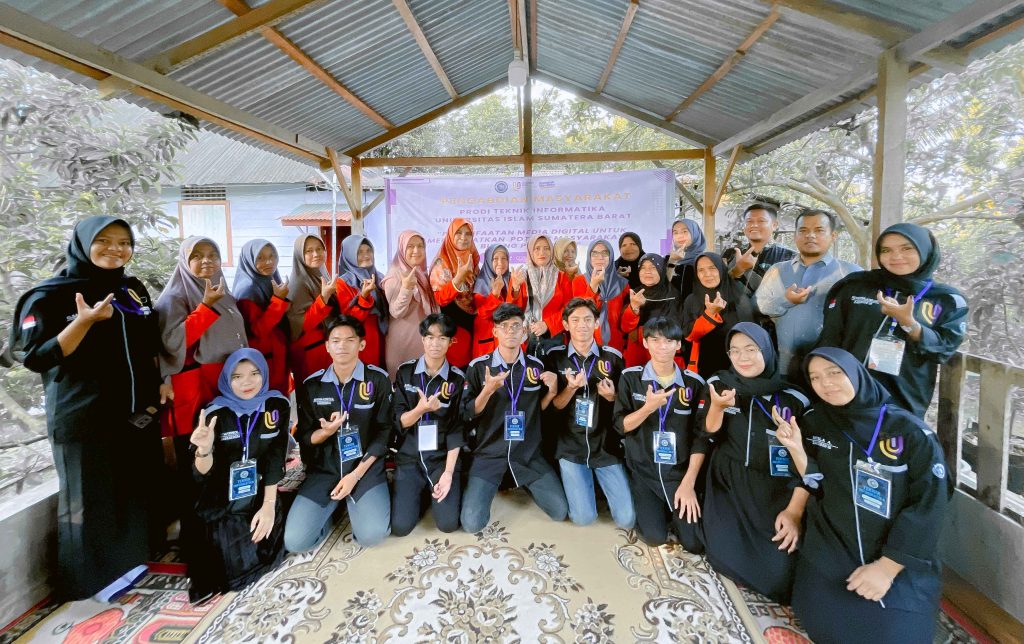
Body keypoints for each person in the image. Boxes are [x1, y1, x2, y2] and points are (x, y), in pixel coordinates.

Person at [10, 216, 164, 600]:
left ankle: (131, 563)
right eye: (105, 241)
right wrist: (82, 323)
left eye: (124, 242)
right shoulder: (48, 296)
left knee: (133, 490)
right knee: (89, 500)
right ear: (83, 244)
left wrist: (162, 381)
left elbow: (149, 341)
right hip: (85, 418)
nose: (116, 249)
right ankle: (90, 582)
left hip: (135, 413)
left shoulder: (131, 289)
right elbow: (34, 357)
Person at [774, 348, 950, 644]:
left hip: (891, 547)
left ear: (856, 374)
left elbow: (929, 505)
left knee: (895, 636)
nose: (825, 383)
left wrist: (887, 568)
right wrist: (796, 451)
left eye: (834, 373)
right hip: (833, 540)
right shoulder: (815, 420)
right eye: (815, 377)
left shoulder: (908, 432)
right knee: (818, 621)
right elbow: (815, 481)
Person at [698, 323, 810, 603]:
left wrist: (795, 512)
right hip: (728, 480)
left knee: (779, 578)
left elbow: (810, 465)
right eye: (734, 351)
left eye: (751, 349)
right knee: (719, 553)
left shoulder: (794, 397)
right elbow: (707, 434)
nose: (742, 357)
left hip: (775, 486)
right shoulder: (720, 384)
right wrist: (717, 407)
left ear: (767, 351)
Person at [817, 222, 968, 418]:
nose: (896, 256)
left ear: (925, 251)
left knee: (893, 436)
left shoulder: (946, 299)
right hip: (845, 391)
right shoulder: (855, 285)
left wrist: (909, 324)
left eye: (906, 248)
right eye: (886, 250)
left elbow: (943, 349)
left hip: (903, 400)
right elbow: (830, 339)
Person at [187, 349, 288, 602]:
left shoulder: (276, 406)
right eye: (237, 376)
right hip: (220, 497)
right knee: (234, 564)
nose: (247, 382)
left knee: (275, 536)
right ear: (226, 380)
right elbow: (202, 474)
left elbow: (275, 458)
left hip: (256, 490)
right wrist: (204, 449)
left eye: (254, 373)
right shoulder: (214, 414)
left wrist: (268, 505)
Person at [285, 316, 392, 550]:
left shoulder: (377, 380)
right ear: (327, 346)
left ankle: (355, 500)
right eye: (335, 341)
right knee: (296, 542)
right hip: (325, 469)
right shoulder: (312, 386)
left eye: (349, 340)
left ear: (361, 344)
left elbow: (385, 432)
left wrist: (355, 475)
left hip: (364, 468)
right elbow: (305, 437)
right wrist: (324, 433)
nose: (342, 346)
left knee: (372, 536)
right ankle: (331, 511)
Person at [460, 304, 568, 533]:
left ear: (524, 331)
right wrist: (487, 391)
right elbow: (468, 412)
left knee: (559, 511)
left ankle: (520, 479)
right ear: (495, 331)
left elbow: (540, 410)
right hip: (489, 454)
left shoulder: (536, 366)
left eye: (516, 326)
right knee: (471, 524)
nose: (510, 331)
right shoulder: (479, 367)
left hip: (527, 454)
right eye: (504, 326)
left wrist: (551, 392)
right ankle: (498, 479)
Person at [613, 316, 707, 551]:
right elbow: (620, 426)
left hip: (678, 474)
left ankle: (673, 510)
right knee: (655, 536)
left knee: (694, 543)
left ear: (678, 345)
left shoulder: (694, 383)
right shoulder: (630, 378)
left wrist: (689, 483)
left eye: (668, 341)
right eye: (655, 340)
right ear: (645, 343)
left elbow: (701, 436)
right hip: (644, 471)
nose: (661, 346)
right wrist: (647, 408)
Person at [156, 237, 247, 478]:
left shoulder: (223, 293)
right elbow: (172, 342)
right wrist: (205, 307)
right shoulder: (174, 297)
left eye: (212, 255)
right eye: (196, 256)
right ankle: (193, 502)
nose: (206, 260)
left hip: (221, 381)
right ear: (185, 261)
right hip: (192, 388)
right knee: (193, 454)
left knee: (223, 446)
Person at [545, 298, 634, 529]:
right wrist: (570, 388)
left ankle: (597, 484)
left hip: (605, 445)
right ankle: (580, 484)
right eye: (575, 320)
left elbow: (624, 406)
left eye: (587, 319)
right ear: (566, 325)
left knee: (626, 519)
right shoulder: (554, 357)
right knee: (583, 518)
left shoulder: (612, 358)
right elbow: (553, 408)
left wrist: (612, 398)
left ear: (596, 323)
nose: (581, 325)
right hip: (570, 445)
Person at [754, 210, 861, 379]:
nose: (810, 235)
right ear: (795, 235)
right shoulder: (778, 270)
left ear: (833, 236)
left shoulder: (850, 273)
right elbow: (760, 305)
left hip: (832, 368)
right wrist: (786, 300)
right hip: (785, 365)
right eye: (803, 230)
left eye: (819, 230)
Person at [390, 314, 466, 536]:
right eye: (430, 337)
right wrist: (420, 410)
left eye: (442, 338)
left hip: (440, 459)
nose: (435, 343)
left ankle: (444, 485)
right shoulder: (405, 372)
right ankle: (419, 493)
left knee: (448, 524)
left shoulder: (457, 379)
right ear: (422, 339)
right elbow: (398, 420)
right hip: (409, 457)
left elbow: (457, 428)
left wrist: (448, 473)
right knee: (401, 527)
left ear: (451, 342)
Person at [682, 252, 754, 379]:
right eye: (701, 270)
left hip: (738, 366)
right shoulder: (691, 300)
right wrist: (710, 314)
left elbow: (751, 336)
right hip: (703, 368)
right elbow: (688, 336)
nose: (707, 274)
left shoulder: (739, 298)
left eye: (712, 268)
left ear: (721, 269)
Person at [233, 239, 291, 393]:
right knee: (268, 404)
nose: (269, 262)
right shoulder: (248, 289)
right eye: (260, 258)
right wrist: (278, 301)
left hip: (277, 356)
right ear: (249, 260)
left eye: (272, 256)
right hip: (263, 362)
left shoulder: (270, 280)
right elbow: (258, 331)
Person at [381, 230, 438, 378]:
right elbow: (396, 311)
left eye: (420, 246)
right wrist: (406, 288)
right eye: (410, 246)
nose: (416, 251)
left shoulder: (421, 273)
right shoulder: (394, 275)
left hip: (423, 339)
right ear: (401, 249)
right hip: (403, 342)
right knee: (404, 384)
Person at [429, 218, 480, 369]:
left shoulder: (473, 258)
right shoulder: (442, 262)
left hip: (473, 323)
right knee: (456, 370)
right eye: (458, 233)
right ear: (451, 235)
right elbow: (439, 298)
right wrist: (457, 279)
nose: (463, 238)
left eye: (468, 234)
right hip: (453, 325)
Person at [286, 234, 335, 382]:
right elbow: (301, 324)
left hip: (326, 350)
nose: (316, 254)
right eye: (309, 251)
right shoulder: (298, 283)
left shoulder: (321, 274)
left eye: (319, 249)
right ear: (300, 255)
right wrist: (323, 298)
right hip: (309, 355)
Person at [335, 235, 389, 369]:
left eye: (369, 250)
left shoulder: (380, 278)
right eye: (359, 252)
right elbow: (346, 320)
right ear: (349, 256)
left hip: (384, 338)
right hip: (361, 341)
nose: (366, 255)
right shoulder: (342, 283)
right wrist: (364, 297)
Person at [620, 254, 682, 368]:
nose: (647, 271)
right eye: (643, 268)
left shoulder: (673, 294)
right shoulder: (633, 293)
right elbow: (625, 327)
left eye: (653, 267)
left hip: (665, 353)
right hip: (638, 354)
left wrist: (640, 332)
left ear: (661, 270)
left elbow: (676, 327)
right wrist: (634, 307)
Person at [722, 204, 797, 297]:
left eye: (761, 221)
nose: (754, 225)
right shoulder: (730, 254)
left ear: (774, 225)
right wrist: (737, 270)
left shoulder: (790, 257)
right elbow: (718, 287)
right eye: (749, 221)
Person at [573, 239, 630, 352]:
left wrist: (635, 309)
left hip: (616, 344)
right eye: (595, 253)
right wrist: (593, 286)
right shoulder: (579, 281)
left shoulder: (622, 283)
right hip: (587, 343)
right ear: (589, 257)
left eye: (605, 253)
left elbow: (626, 321)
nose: (600, 257)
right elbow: (581, 313)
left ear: (611, 256)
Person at [471, 244, 527, 358]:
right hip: (488, 342)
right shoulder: (481, 282)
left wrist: (515, 288)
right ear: (488, 261)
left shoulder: (514, 278)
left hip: (511, 339)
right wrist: (495, 293)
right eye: (495, 259)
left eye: (504, 258)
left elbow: (517, 312)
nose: (500, 263)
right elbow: (483, 313)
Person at [523, 234, 573, 352]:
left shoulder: (561, 277)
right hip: (526, 339)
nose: (542, 252)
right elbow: (513, 308)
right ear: (530, 251)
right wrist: (515, 288)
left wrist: (548, 324)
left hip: (554, 339)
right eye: (537, 248)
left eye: (547, 248)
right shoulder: (521, 276)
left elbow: (569, 309)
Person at [665, 219, 707, 300]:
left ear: (695, 233)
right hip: (671, 307)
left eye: (684, 231)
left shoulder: (706, 260)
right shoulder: (666, 260)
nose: (680, 236)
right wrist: (672, 262)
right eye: (675, 232)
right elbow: (661, 289)